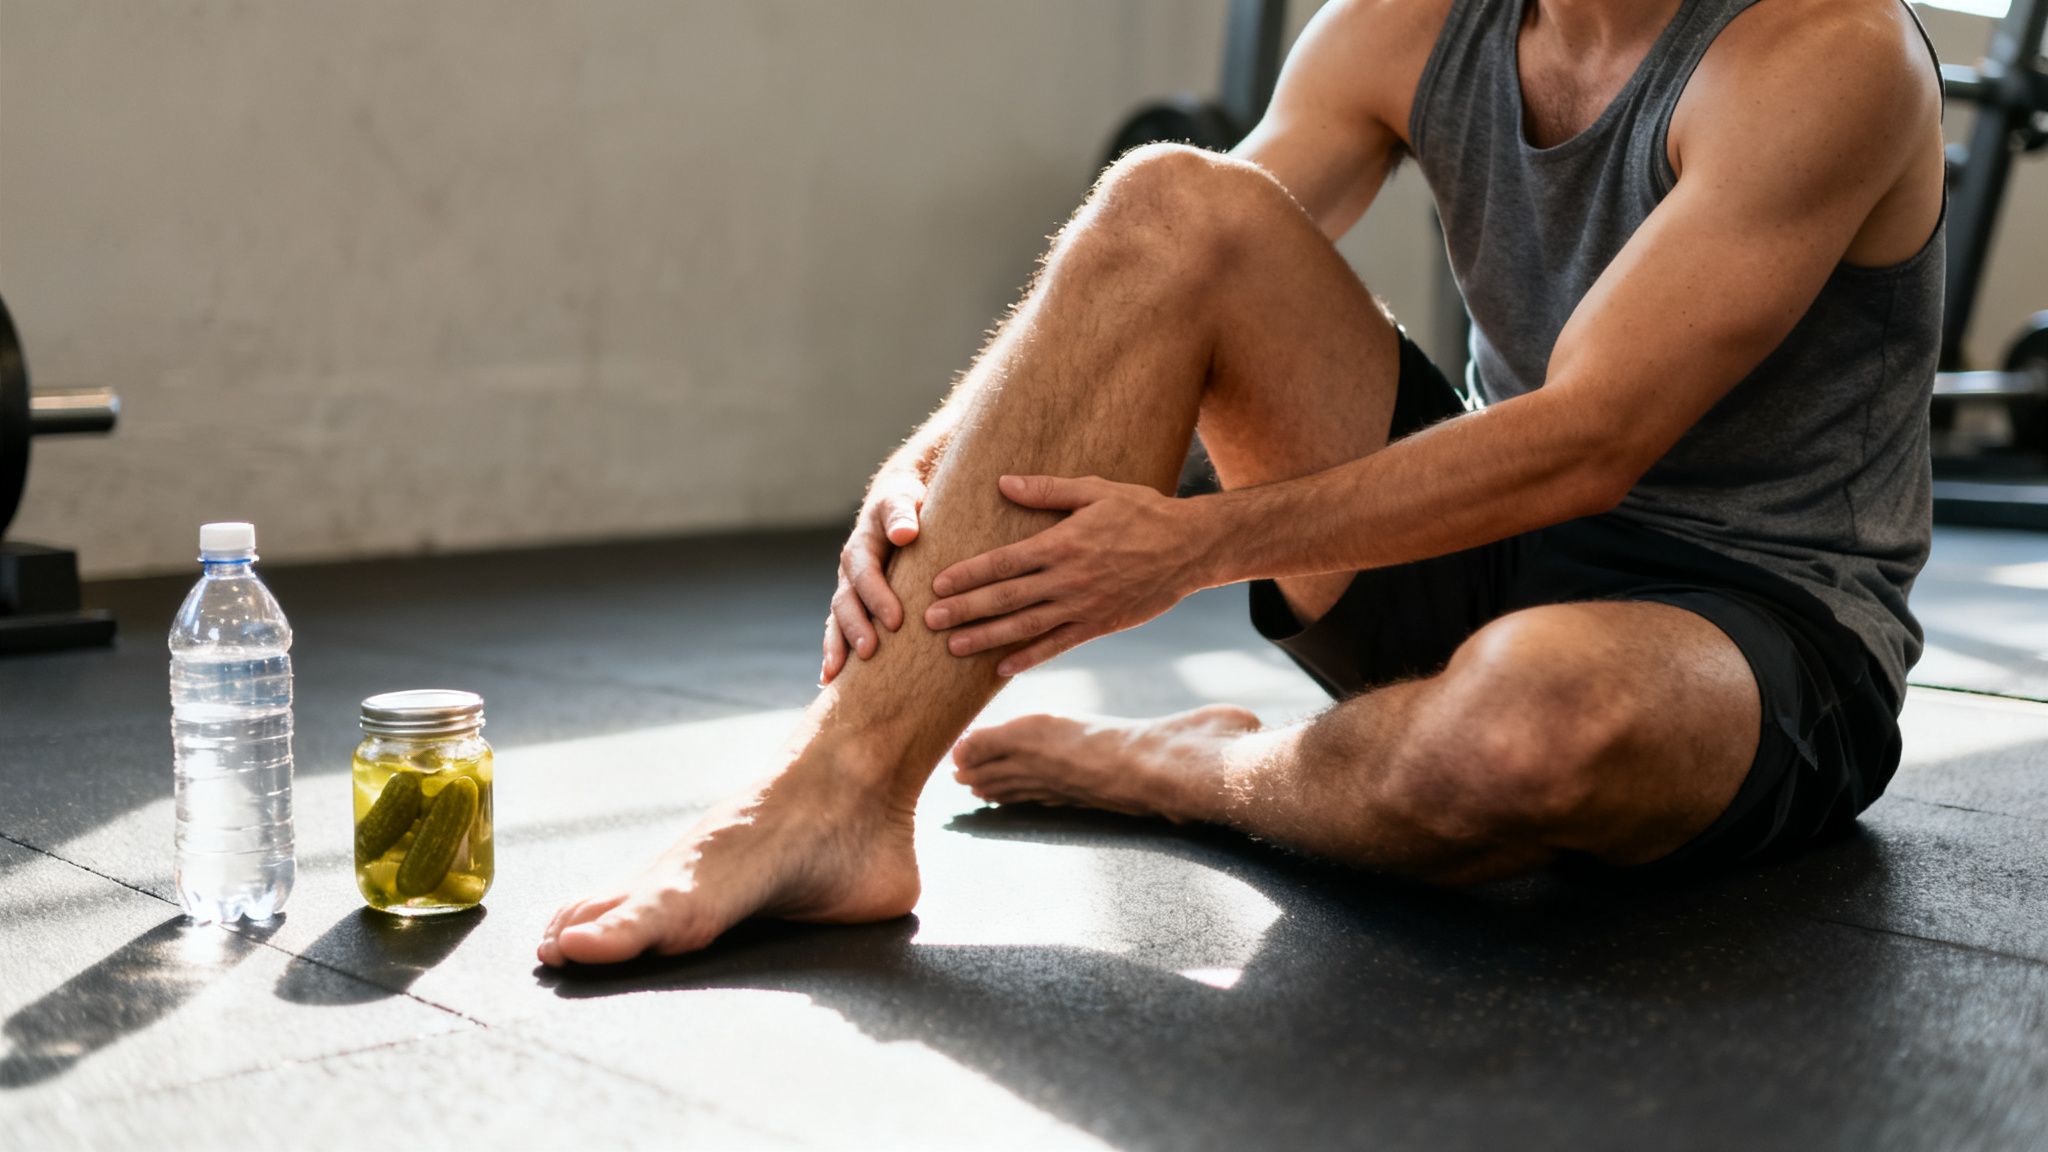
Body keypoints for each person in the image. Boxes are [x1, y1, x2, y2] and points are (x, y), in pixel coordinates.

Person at [537, 0, 1946, 967]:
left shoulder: (1823, 52)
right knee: (1172, 198)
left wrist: (1192, 547)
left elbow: (1592, 437)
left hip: (1753, 627)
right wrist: (936, 443)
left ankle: (1191, 769)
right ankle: (831, 797)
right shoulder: (1414, 26)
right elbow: (1161, 261)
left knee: (1516, 732)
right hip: (1482, 546)